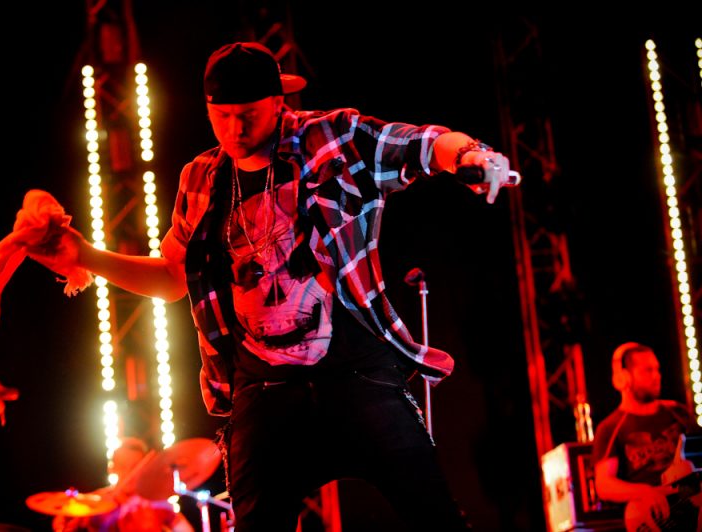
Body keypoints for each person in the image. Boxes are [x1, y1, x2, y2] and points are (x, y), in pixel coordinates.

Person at [28, 41, 516, 531]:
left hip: (357, 374)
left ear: (279, 102)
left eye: (249, 115)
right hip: (263, 392)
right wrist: (86, 256)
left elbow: (424, 143)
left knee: (434, 515)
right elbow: (172, 277)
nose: (235, 131)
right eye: (222, 117)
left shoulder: (331, 138)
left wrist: (471, 155)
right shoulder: (200, 179)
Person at [591, 342, 701, 531]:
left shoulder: (677, 412)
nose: (656, 376)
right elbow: (604, 485)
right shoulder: (610, 428)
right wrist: (645, 492)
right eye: (647, 370)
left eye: (657, 369)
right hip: (654, 518)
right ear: (624, 378)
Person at [53, 437, 194, 532]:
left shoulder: (156, 502)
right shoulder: (97, 500)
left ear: (143, 468)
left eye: (134, 466)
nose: (128, 472)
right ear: (112, 468)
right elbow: (63, 521)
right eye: (122, 466)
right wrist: (66, 519)